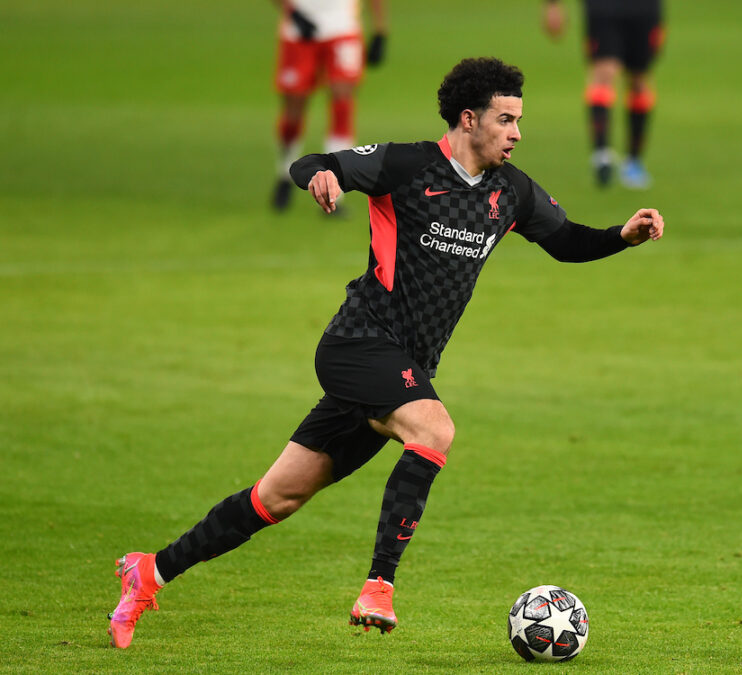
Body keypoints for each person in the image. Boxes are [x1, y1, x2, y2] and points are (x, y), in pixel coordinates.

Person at [108, 56, 665, 649]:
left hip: (405, 369)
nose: (517, 133)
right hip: (358, 344)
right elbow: (313, 161)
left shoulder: (511, 191)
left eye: (519, 121)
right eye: (506, 120)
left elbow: (568, 243)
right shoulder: (407, 165)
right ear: (469, 119)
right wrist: (318, 178)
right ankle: (379, 584)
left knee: (278, 497)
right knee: (434, 428)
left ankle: (150, 571)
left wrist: (620, 237)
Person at [271, 0, 388, 212]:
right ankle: (285, 171)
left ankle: (335, 193)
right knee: (293, 110)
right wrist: (293, 12)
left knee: (342, 104)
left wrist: (380, 30)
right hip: (300, 31)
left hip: (342, 27)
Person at [543, 0, 664, 189]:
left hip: (644, 8)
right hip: (604, 7)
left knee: (639, 80)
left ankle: (633, 161)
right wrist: (552, 5)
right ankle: (602, 154)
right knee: (604, 73)